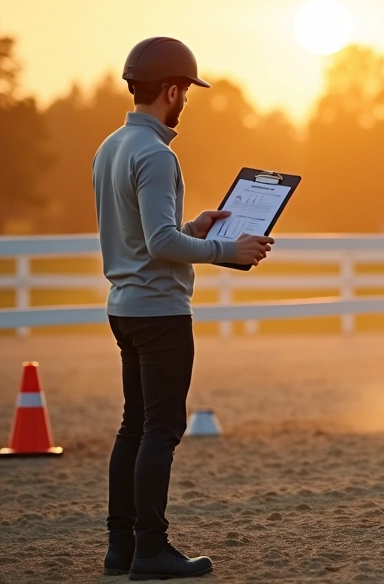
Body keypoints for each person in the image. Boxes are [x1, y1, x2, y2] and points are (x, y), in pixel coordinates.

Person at [92, 36, 274, 580]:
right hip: (159, 310)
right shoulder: (156, 154)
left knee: (134, 425)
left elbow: (147, 233)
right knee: (162, 427)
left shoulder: (111, 147)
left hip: (125, 306)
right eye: (187, 92)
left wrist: (195, 227)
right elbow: (158, 243)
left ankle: (121, 548)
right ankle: (151, 549)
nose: (187, 101)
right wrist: (227, 250)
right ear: (171, 90)